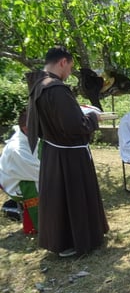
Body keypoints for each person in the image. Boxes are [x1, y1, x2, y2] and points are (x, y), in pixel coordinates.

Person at [25, 46, 109, 257]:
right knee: (71, 199)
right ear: (63, 62)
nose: (70, 72)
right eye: (70, 67)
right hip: (68, 156)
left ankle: (62, 241)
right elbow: (74, 126)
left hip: (54, 152)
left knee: (59, 200)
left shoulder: (38, 85)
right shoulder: (56, 89)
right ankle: (73, 241)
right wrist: (93, 118)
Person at [0, 109, 40, 232]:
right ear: (26, 128)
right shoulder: (17, 150)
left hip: (26, 172)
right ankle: (47, 224)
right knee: (53, 186)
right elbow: (39, 173)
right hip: (17, 183)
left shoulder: (28, 134)